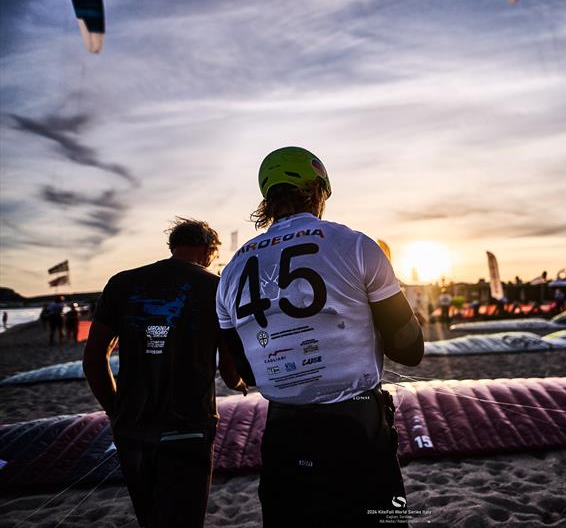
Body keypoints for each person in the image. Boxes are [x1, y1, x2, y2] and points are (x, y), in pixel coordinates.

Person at [216, 146, 424, 526]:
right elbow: (410, 350)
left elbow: (243, 367)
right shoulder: (357, 245)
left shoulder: (230, 271)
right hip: (356, 428)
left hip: (283, 433)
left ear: (267, 198)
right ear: (319, 191)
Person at [83, 218, 247, 528]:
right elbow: (228, 367)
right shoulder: (215, 287)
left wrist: (116, 411)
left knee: (151, 519)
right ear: (209, 250)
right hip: (190, 428)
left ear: (173, 246)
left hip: (133, 430)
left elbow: (94, 359)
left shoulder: (121, 283)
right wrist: (238, 382)